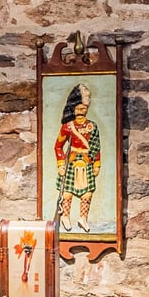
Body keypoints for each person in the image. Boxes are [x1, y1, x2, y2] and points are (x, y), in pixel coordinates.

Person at [53, 82, 102, 233]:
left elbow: (96, 147)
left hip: (86, 162)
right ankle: (66, 217)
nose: (81, 111)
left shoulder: (92, 126)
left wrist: (96, 164)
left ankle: (83, 218)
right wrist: (61, 164)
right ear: (73, 108)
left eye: (84, 108)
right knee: (67, 192)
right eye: (79, 108)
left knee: (87, 193)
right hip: (71, 162)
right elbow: (58, 146)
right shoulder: (68, 127)